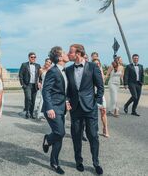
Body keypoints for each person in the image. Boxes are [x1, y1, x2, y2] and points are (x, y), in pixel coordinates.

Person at [66, 44, 104, 175]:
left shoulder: (93, 67)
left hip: (90, 107)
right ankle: (78, 161)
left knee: (93, 135)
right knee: (76, 136)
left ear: (77, 54)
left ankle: (96, 162)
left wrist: (97, 102)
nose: (68, 54)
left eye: (70, 52)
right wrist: (66, 101)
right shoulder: (68, 69)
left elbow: (100, 86)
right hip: (75, 108)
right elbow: (66, 89)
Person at [42, 46, 69, 175]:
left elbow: (63, 90)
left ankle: (54, 163)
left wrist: (67, 102)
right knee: (60, 132)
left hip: (61, 107)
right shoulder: (52, 71)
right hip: (52, 108)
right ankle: (47, 139)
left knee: (59, 137)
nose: (66, 54)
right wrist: (49, 108)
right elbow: (45, 90)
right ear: (59, 58)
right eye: (64, 53)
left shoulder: (64, 71)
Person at [19, 52, 41, 119]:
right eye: (32, 57)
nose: (33, 58)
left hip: (35, 85)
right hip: (27, 85)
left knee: (33, 100)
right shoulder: (24, 65)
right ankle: (27, 111)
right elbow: (20, 75)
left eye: (34, 57)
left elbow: (40, 76)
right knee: (28, 98)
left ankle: (31, 113)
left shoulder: (38, 65)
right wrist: (23, 84)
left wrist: (40, 82)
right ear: (29, 58)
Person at [93, 59, 109, 138]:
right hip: (91, 94)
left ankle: (105, 128)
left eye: (98, 63)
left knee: (103, 111)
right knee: (93, 113)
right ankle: (93, 130)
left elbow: (102, 84)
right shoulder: (89, 72)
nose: (97, 65)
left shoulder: (100, 72)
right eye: (95, 63)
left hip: (100, 94)